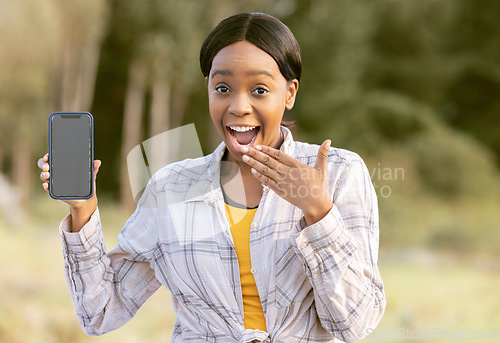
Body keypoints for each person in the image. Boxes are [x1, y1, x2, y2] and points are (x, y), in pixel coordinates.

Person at [38, 12, 385, 343]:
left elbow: (355, 324)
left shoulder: (338, 173)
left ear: (290, 93)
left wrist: (319, 212)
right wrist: (82, 211)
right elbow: (100, 312)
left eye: (260, 90)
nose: (239, 106)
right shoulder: (170, 189)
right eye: (222, 88)